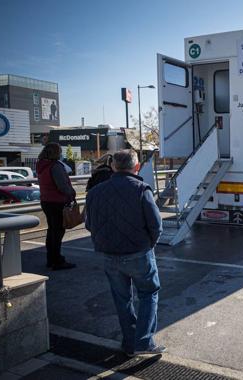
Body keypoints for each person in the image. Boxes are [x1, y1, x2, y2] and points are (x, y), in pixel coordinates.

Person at [85, 149, 164, 356]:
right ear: (136, 166)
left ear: (113, 167)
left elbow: (89, 224)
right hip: (139, 253)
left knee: (122, 299)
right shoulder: (141, 189)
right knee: (148, 294)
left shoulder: (95, 192)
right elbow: (156, 226)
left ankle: (129, 343)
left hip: (108, 255)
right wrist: (149, 244)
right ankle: (144, 342)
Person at [36, 143, 77, 270]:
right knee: (58, 232)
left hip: (46, 201)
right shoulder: (55, 166)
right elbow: (62, 186)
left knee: (52, 231)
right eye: (60, 151)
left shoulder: (41, 165)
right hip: (57, 202)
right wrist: (72, 193)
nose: (61, 154)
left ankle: (51, 259)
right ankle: (57, 260)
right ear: (56, 153)